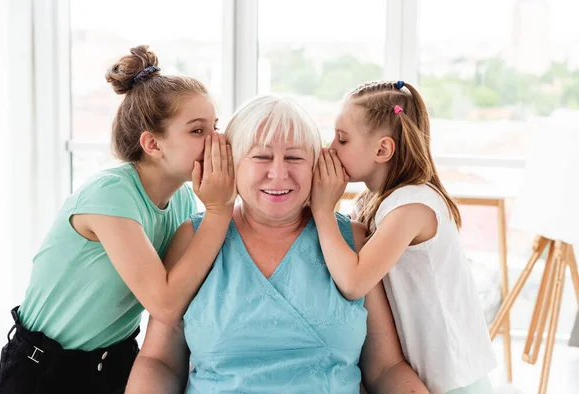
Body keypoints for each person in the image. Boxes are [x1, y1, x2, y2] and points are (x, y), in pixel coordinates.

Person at [125, 94, 428, 394]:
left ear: (316, 165)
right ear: (231, 162)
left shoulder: (354, 242)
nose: (279, 174)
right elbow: (160, 361)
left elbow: (386, 368)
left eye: (295, 158)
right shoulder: (193, 237)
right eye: (261, 157)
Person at [0, 45, 235, 394]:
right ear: (153, 144)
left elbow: (187, 283)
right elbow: (164, 303)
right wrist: (218, 210)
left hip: (116, 361)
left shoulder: (181, 199)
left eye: (215, 126)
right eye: (198, 131)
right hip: (44, 369)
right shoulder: (110, 194)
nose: (216, 141)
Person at [310, 80, 497, 394]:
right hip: (424, 377)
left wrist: (322, 211)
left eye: (342, 139)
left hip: (456, 381)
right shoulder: (375, 202)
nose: (330, 149)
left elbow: (355, 281)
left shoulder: (412, 205)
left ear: (382, 149)